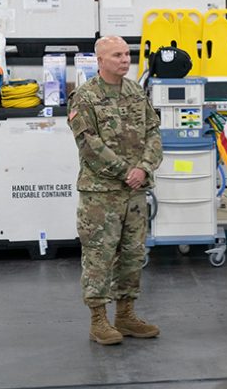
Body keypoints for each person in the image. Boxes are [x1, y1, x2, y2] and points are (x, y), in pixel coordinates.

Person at [68, 35, 163, 345]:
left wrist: (144, 168)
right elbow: (89, 145)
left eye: (127, 54)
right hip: (101, 194)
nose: (125, 59)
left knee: (133, 255)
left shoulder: (137, 92)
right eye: (117, 55)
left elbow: (153, 133)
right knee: (99, 256)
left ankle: (126, 315)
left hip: (134, 193)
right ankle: (99, 320)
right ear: (100, 61)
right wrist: (126, 172)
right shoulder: (85, 97)